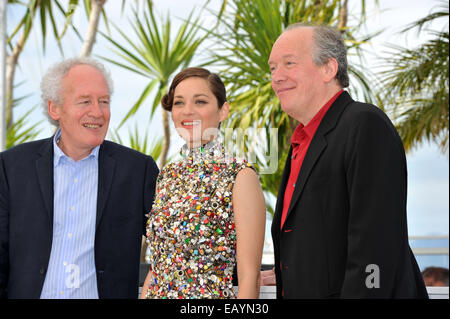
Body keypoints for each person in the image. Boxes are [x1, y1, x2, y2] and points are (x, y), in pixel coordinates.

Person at [263, 23, 428, 298]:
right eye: (272, 68)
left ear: (329, 68)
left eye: (288, 63)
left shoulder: (364, 125)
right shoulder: (302, 140)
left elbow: (375, 249)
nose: (276, 77)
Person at [0, 57, 159, 299]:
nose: (97, 112)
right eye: (85, 101)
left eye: (104, 101)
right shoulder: (11, 168)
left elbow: (171, 248)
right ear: (55, 109)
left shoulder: (138, 170)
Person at [139, 67, 266, 299]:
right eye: (179, 103)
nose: (187, 111)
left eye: (200, 102)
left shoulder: (240, 176)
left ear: (223, 110)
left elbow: (250, 278)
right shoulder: (167, 175)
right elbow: (157, 268)